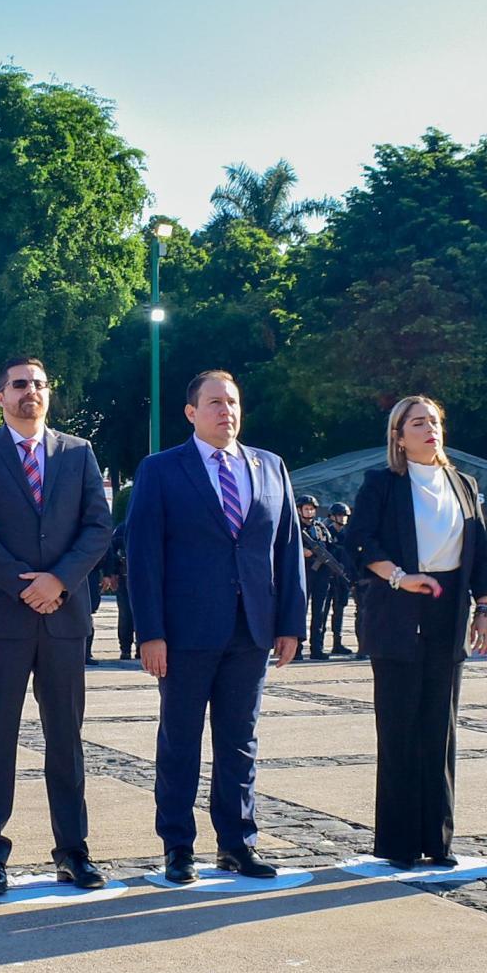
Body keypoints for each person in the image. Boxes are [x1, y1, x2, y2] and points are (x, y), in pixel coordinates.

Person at [125, 369, 304, 883]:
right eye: (214, 402)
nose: (225, 410)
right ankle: (178, 847)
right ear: (191, 412)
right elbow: (143, 557)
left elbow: (288, 548)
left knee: (240, 742)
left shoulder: (270, 467)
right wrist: (150, 632)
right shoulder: (161, 470)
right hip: (184, 634)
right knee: (180, 742)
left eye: (232, 402)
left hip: (251, 631)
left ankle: (238, 843)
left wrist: (290, 623)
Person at [0, 356, 113, 895]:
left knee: (65, 736)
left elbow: (97, 527)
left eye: (39, 384)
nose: (31, 393)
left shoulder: (78, 452)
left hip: (64, 617)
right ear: (0, 397)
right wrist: (25, 585)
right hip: (2, 618)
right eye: (19, 385)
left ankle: (73, 851)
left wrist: (58, 581)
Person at [341, 396, 487, 868]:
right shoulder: (383, 483)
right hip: (397, 608)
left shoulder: (464, 484)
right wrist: (399, 576)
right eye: (417, 422)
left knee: (439, 727)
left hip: (447, 610)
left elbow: (481, 552)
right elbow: (361, 541)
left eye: (434, 421)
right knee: (399, 727)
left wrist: (484, 609)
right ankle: (400, 843)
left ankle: (438, 838)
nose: (429, 428)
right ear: (399, 435)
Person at [295, 494, 335, 661]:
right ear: (299, 510)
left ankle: (317, 647)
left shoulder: (321, 528)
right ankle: (296, 648)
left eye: (312, 509)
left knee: (319, 612)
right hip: (302, 574)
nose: (310, 512)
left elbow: (332, 547)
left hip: (321, 575)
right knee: (299, 612)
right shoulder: (293, 527)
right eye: (306, 509)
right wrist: (301, 551)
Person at [102, 520, 135, 661]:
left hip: (148, 578)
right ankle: (125, 649)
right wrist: (112, 573)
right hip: (125, 577)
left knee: (147, 613)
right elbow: (111, 550)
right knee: (126, 615)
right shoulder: (123, 528)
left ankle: (141, 647)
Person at [327, 502, 357, 655]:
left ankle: (337, 643)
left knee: (339, 610)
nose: (343, 518)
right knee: (321, 613)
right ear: (332, 517)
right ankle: (316, 646)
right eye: (340, 515)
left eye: (345, 515)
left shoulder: (348, 535)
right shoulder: (326, 532)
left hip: (343, 577)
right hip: (326, 578)